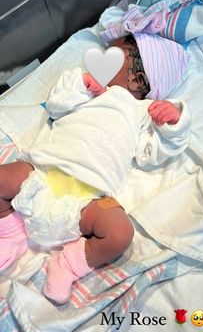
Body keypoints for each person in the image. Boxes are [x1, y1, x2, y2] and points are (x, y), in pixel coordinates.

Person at [0, 34, 191, 304]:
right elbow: (55, 106)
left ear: (136, 80)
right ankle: (11, 231)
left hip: (88, 199)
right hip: (42, 172)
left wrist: (173, 125)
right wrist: (81, 85)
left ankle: (69, 264)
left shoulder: (142, 112)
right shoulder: (88, 89)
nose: (98, 64)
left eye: (111, 57)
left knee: (120, 233)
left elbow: (153, 154)